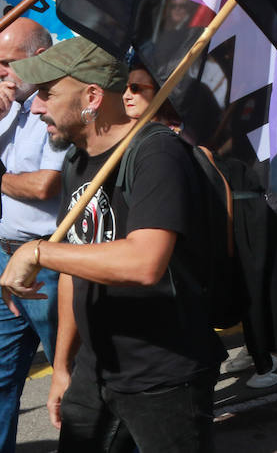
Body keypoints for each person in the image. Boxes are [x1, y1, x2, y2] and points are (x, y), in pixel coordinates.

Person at [0, 38, 224, 451]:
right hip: (95, 369)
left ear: (92, 96)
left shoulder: (158, 153)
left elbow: (145, 261)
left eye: (48, 94)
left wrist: (37, 250)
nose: (35, 107)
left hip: (162, 375)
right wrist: (64, 366)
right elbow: (74, 269)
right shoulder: (76, 161)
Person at [0, 20, 58, 452]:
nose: (1, 73)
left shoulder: (55, 104)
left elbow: (44, 186)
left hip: (51, 263)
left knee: (71, 369)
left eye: (7, 63)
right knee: (1, 373)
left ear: (38, 58)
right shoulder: (7, 110)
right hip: (5, 259)